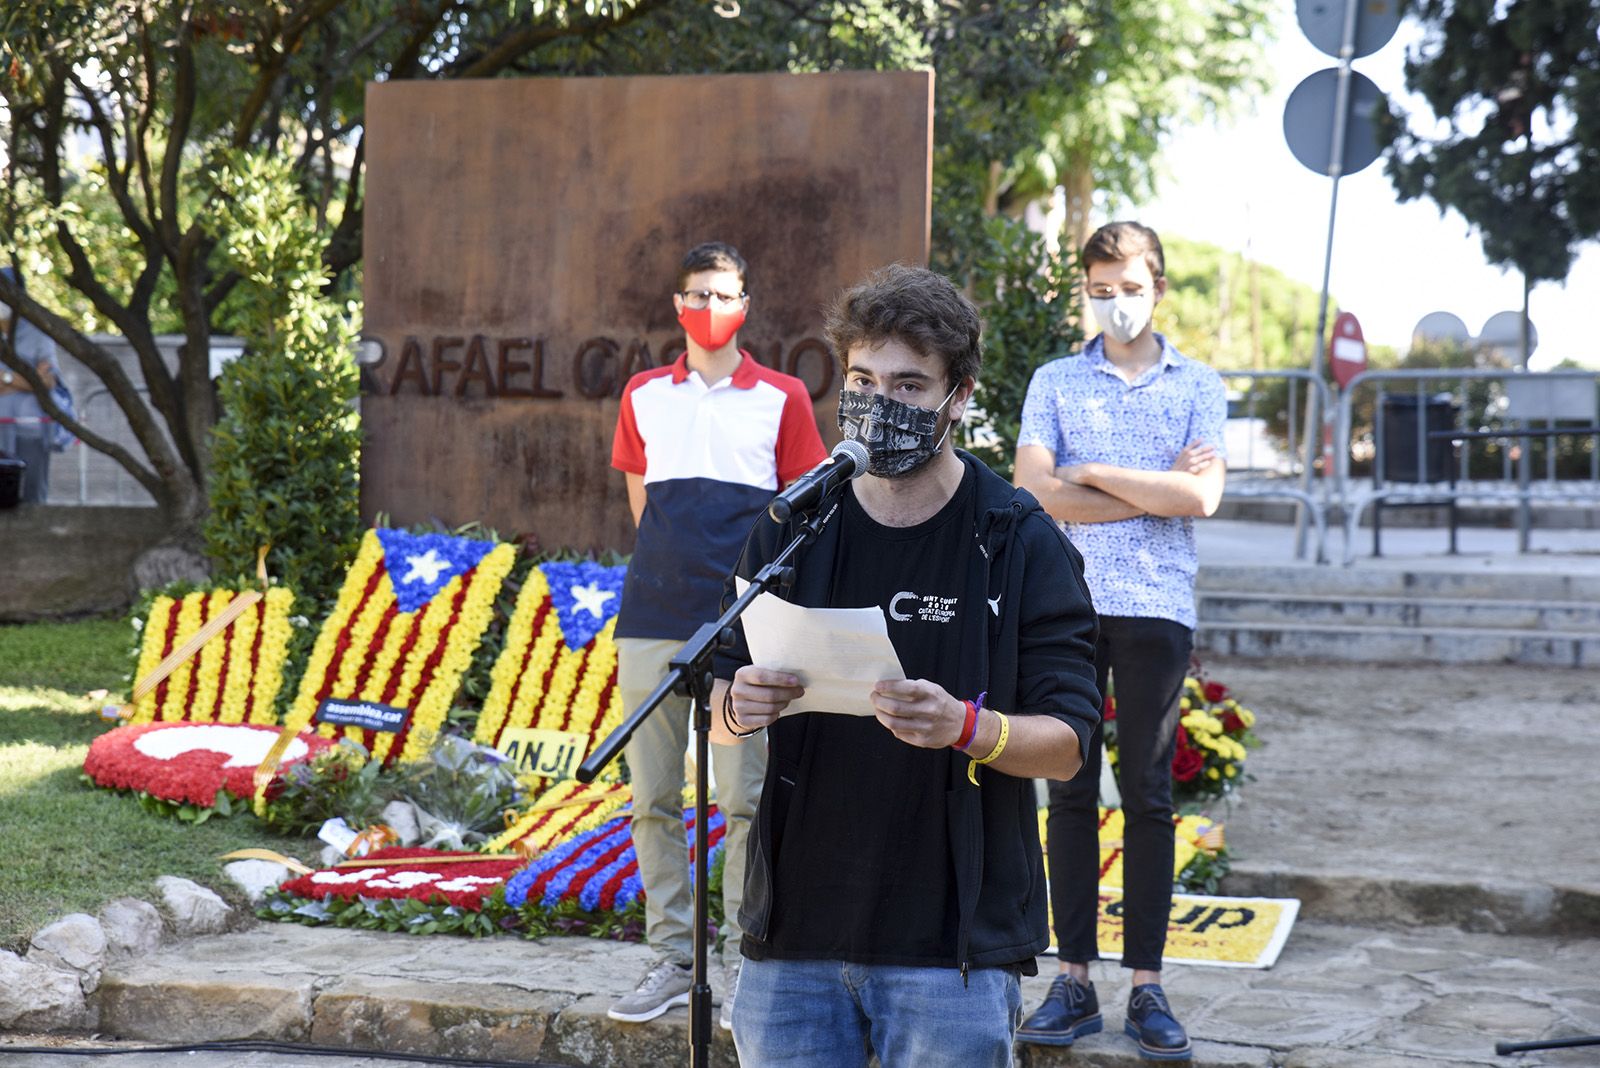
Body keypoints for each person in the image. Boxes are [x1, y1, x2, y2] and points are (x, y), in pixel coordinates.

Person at [710, 264, 1101, 1068]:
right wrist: (740, 704)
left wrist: (967, 727)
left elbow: (1068, 745)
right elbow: (715, 705)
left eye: (909, 385)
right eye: (862, 380)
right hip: (793, 938)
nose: (878, 403)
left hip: (948, 953)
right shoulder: (793, 525)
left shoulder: (1016, 538)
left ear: (958, 396)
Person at [1012, 221, 1227, 1062]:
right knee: (1067, 790)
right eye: (1101, 289)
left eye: (1130, 287)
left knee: (1147, 794)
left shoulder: (1198, 384)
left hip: (1157, 607)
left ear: (1158, 288)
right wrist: (1152, 488)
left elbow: (1201, 498)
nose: (1116, 302)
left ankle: (1147, 985)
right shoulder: (1055, 379)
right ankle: (1072, 980)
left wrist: (1092, 471)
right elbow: (1034, 489)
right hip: (1064, 605)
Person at [608, 241, 827, 1033]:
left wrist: (757, 607)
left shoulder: (783, 396)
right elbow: (645, 507)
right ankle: (672, 958)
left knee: (743, 799)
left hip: (744, 626)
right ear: (678, 305)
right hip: (653, 617)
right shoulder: (642, 394)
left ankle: (742, 963)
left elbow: (803, 512)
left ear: (745, 304)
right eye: (698, 294)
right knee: (652, 797)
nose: (711, 308)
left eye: (725, 294)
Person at [0, 266, 63, 503]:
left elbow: (46, 380)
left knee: (32, 496)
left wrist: (6, 378)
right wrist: (26, 379)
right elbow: (35, 380)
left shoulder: (38, 332)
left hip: (31, 429)